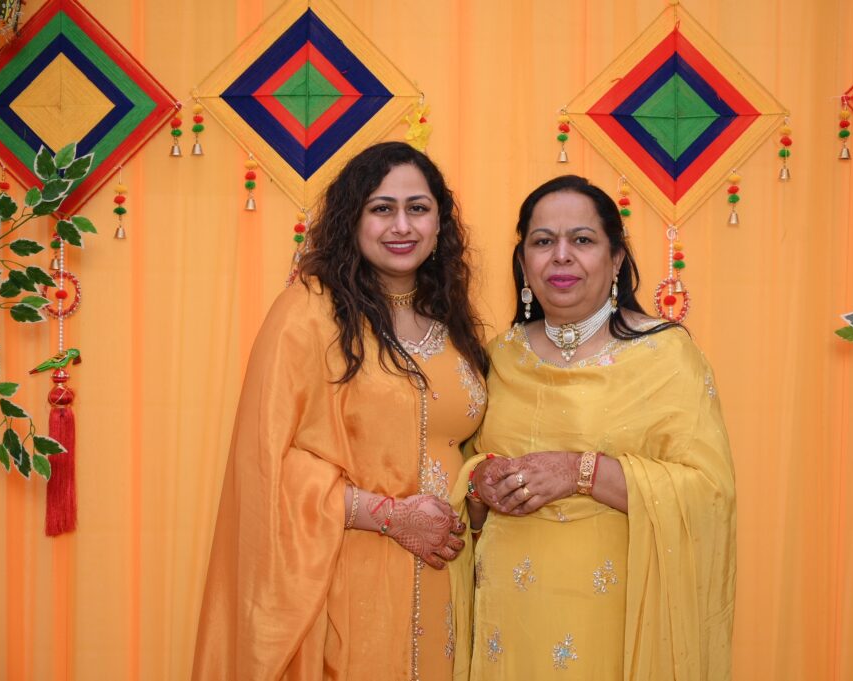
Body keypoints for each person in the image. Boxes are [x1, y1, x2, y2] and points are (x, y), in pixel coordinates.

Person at [192, 142, 489, 681]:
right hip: (347, 576)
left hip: (450, 576)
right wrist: (390, 516)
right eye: (382, 208)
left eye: (418, 208)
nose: (402, 226)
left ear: (440, 223)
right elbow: (265, 462)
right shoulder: (308, 312)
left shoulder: (450, 320)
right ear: (352, 220)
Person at [449, 175, 736, 680]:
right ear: (524, 263)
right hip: (508, 623)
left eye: (582, 240)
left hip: (616, 622)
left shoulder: (665, 355)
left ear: (616, 259)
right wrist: (477, 483)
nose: (561, 256)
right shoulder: (498, 357)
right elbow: (466, 471)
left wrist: (580, 471)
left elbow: (708, 493)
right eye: (543, 242)